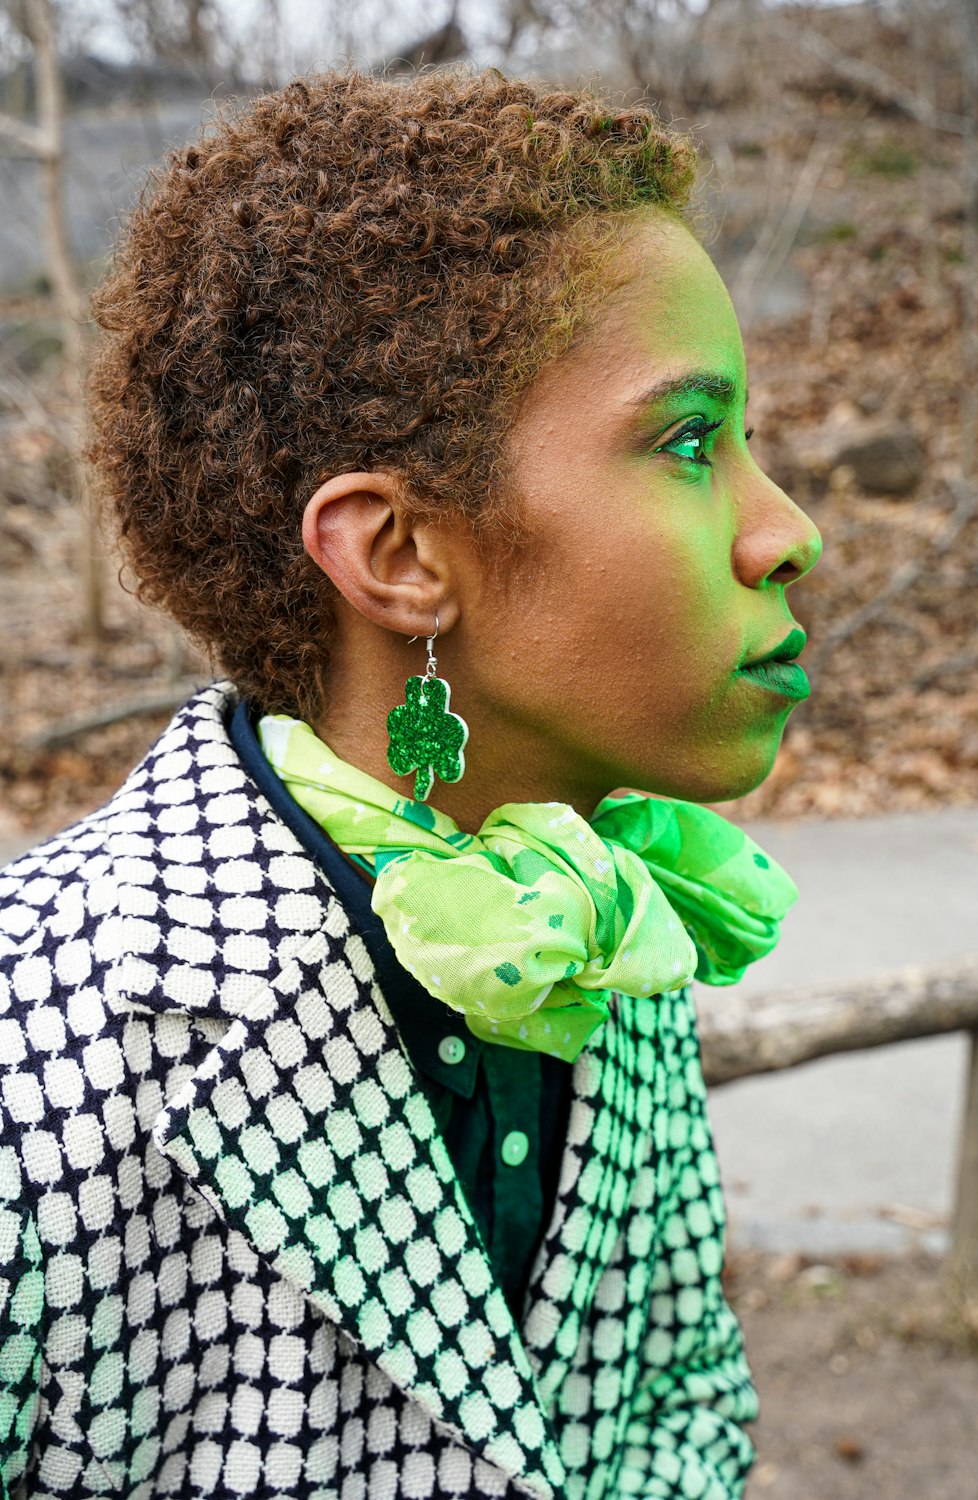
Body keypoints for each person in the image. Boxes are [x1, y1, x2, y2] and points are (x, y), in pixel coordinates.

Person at [0, 63, 821, 1500]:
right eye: (690, 440)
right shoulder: (40, 1054)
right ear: (398, 556)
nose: (787, 530)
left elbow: (684, 1403)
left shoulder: (602, 933)